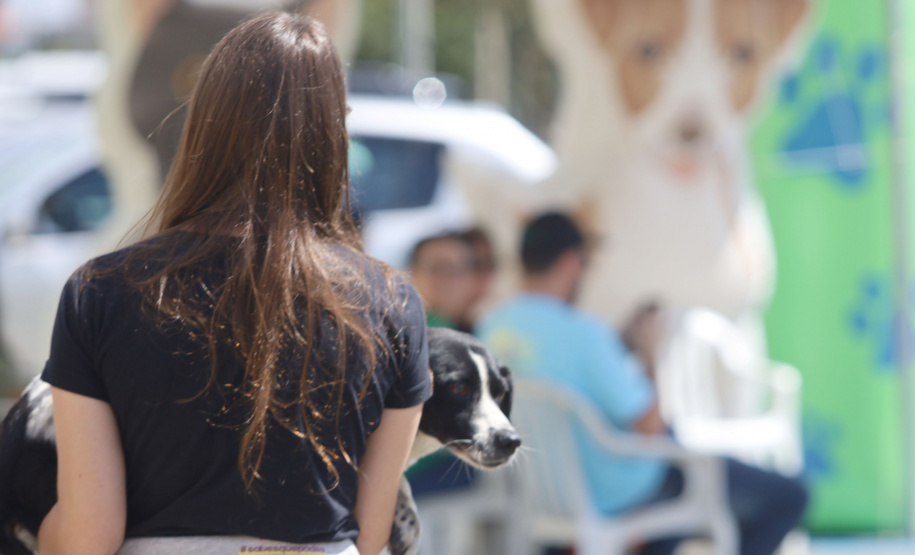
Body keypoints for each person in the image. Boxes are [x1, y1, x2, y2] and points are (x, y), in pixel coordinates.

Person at [36, 13, 430, 555]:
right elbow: (371, 532)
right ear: (333, 132)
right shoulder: (393, 302)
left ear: (203, 121)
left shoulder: (100, 292)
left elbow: (87, 539)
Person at [477, 212, 808, 555]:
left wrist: (619, 347)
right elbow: (652, 426)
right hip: (614, 490)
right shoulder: (584, 333)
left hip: (538, 494)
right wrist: (651, 354)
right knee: (787, 496)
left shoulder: (492, 326)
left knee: (682, 494)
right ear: (571, 263)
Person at [408, 232, 477, 330]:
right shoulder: (409, 331)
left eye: (455, 270)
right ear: (412, 274)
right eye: (437, 269)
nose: (446, 280)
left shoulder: (482, 328)